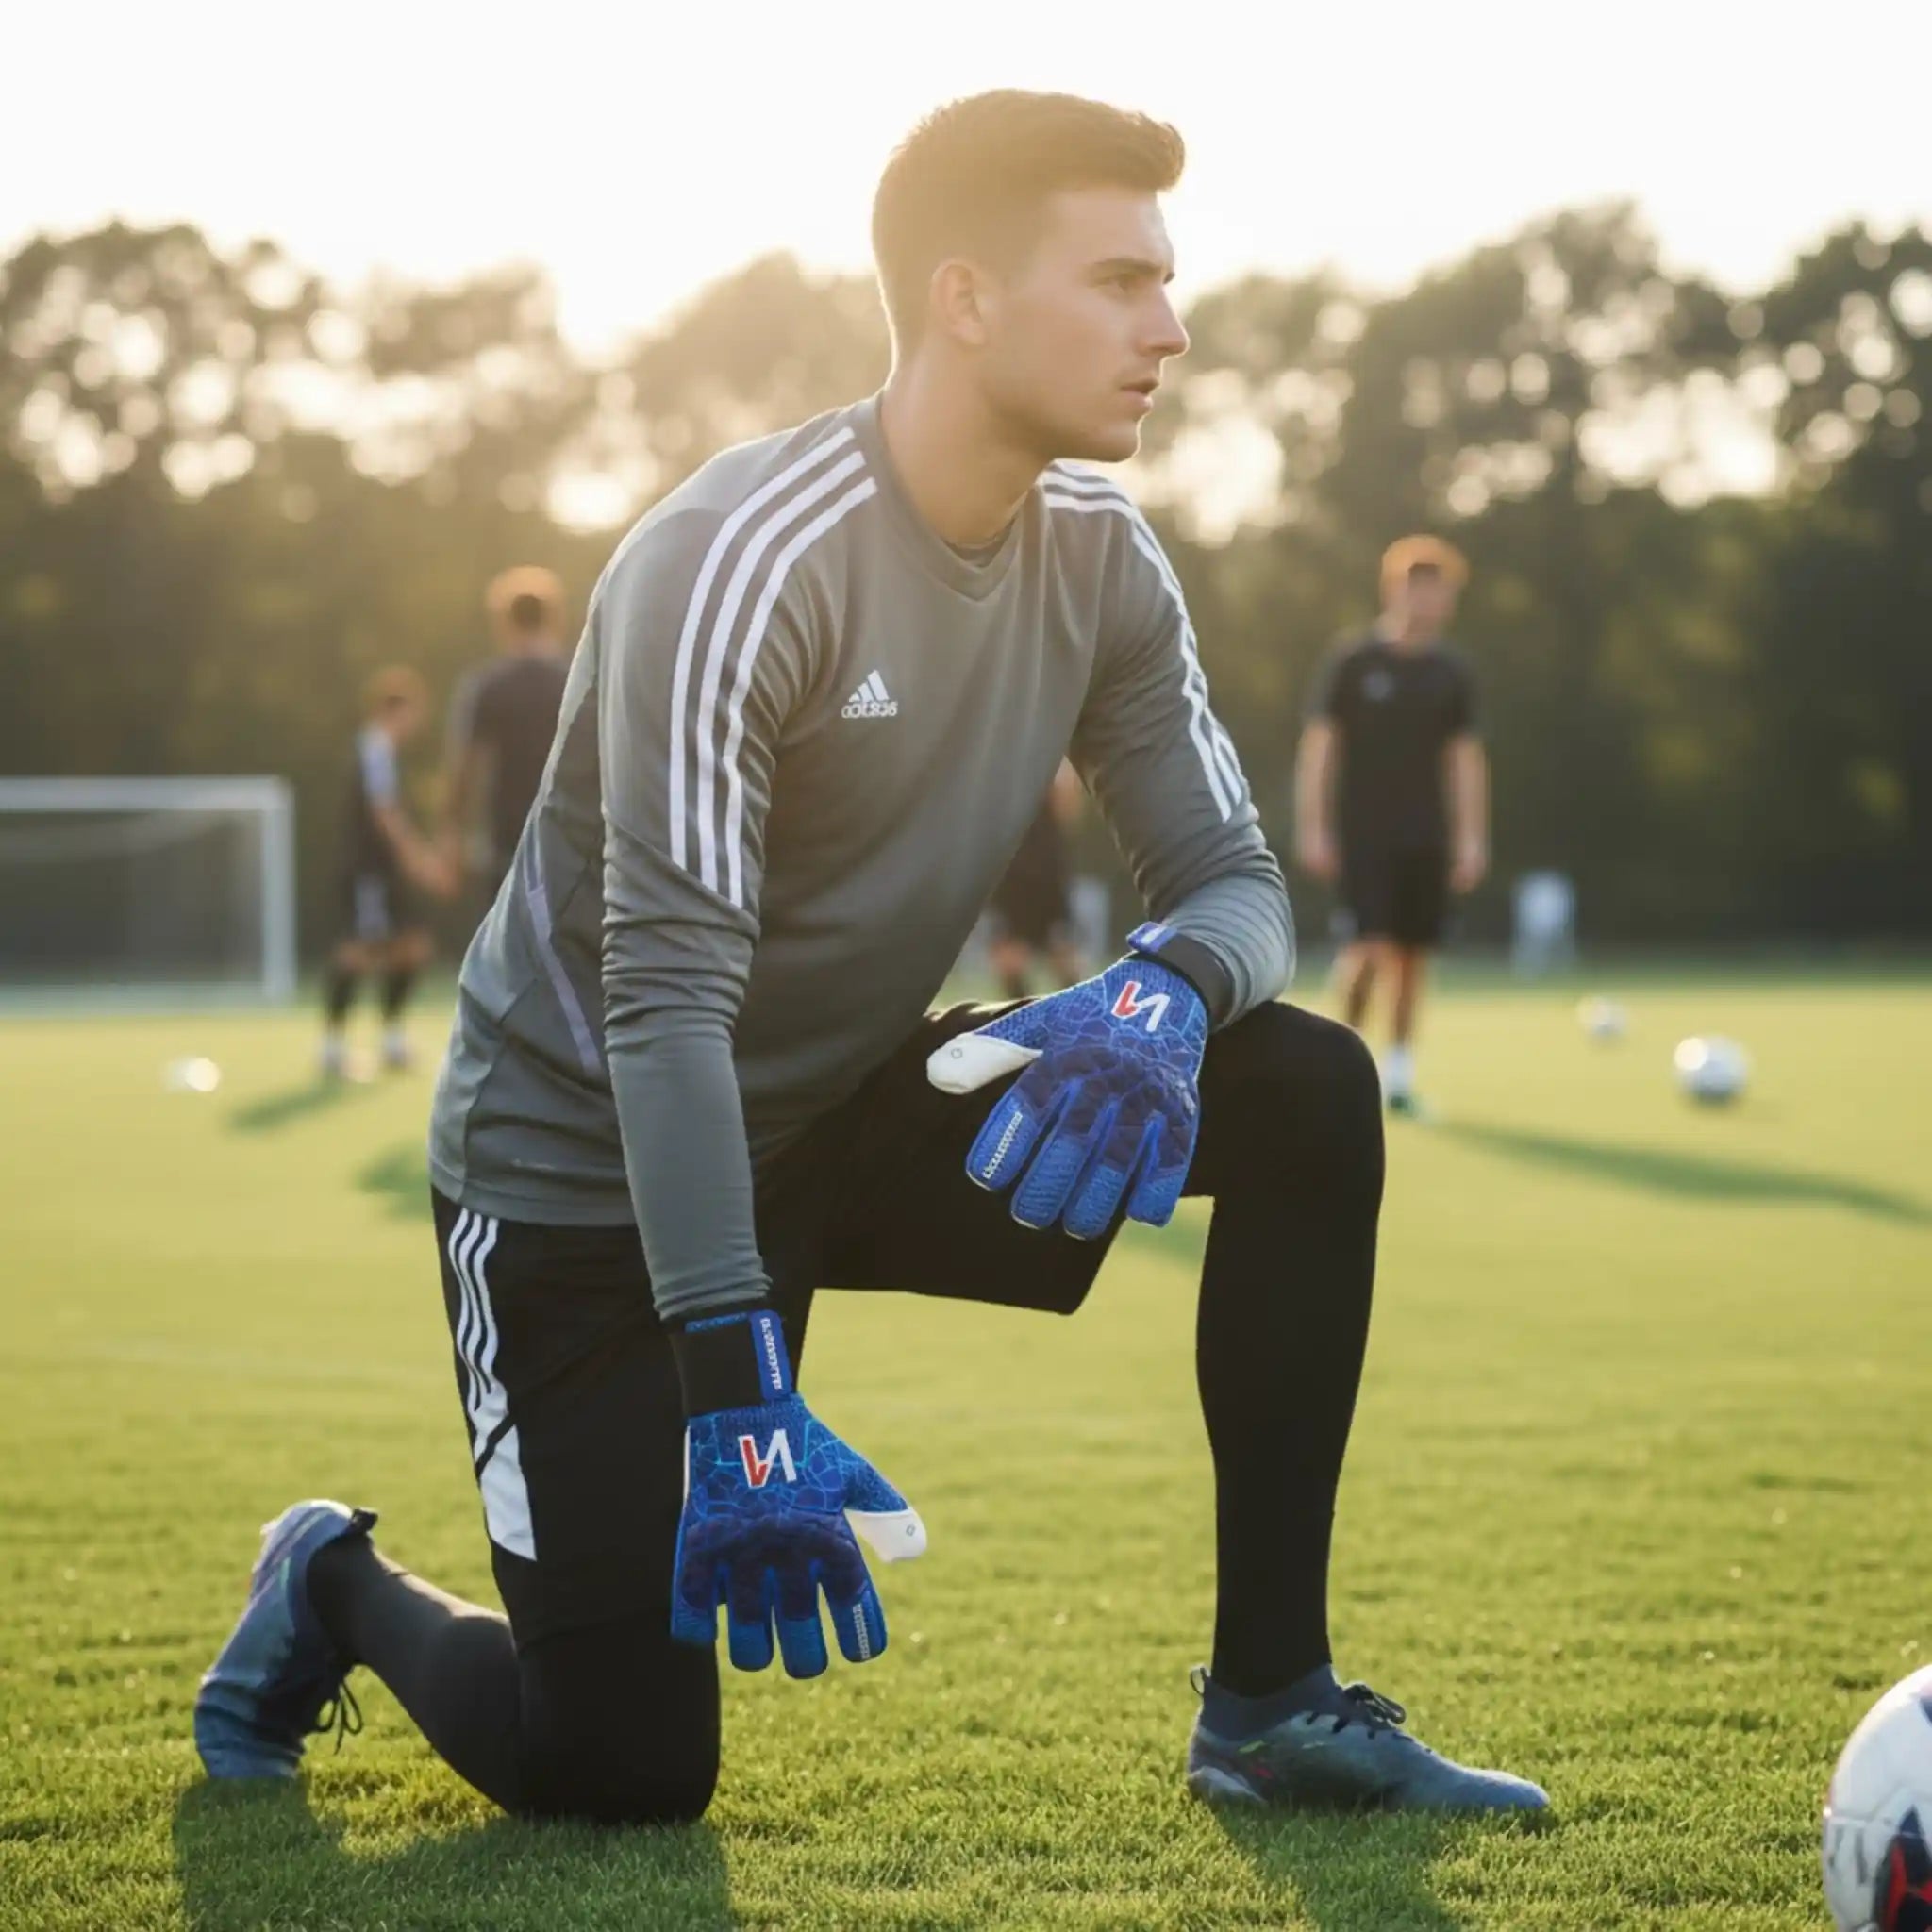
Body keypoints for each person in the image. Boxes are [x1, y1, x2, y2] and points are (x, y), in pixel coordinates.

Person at [195, 91, 1544, 1824]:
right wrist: (733, 1390)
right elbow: (661, 1001)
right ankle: (329, 1582)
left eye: (1168, 280)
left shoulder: (1101, 559)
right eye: (1121, 279)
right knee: (615, 1766)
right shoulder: (732, 558)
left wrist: (1159, 991)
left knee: (1296, 1082)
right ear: (966, 298)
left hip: (831, 1115)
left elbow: (1233, 883)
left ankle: (1269, 1705)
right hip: (586, 1179)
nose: (1171, 326)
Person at [1294, 537, 1489, 1115]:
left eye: (1442, 591)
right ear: (1396, 589)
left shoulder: (1451, 673)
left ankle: (1398, 1076)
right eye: (1422, 587)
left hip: (1425, 834)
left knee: (1411, 957)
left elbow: (1464, 760)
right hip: (1363, 833)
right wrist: (1315, 826)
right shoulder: (1354, 663)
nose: (1432, 600)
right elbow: (1322, 748)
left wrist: (1472, 836)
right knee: (1368, 948)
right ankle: (1340, 1068)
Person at [319, 668, 451, 1077]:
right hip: (369, 875)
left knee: (413, 948)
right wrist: (419, 861)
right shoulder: (374, 748)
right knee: (359, 952)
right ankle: (332, 1047)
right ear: (396, 711)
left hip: (384, 875)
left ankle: (392, 1041)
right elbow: (384, 814)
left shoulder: (383, 752)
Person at [441, 567, 572, 919]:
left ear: (504, 623)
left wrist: (452, 837)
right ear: (554, 619)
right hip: (571, 836)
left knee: (506, 954)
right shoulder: (575, 682)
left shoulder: (487, 686)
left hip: (507, 840)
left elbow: (463, 770)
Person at [986, 758, 1086, 997]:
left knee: (1058, 951)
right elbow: (1069, 810)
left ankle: (1069, 1014)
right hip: (1021, 869)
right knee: (1013, 954)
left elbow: (1067, 806)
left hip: (1036, 868)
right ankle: (1027, 1018)